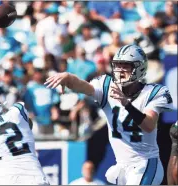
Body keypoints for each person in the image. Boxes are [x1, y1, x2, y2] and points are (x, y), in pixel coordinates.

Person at [45, 44, 174, 185]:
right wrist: (69, 78)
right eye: (118, 65)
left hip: (146, 163)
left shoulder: (154, 92)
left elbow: (149, 125)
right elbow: (84, 86)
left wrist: (127, 104)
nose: (120, 70)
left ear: (139, 68)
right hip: (122, 166)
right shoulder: (107, 86)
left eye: (126, 66)